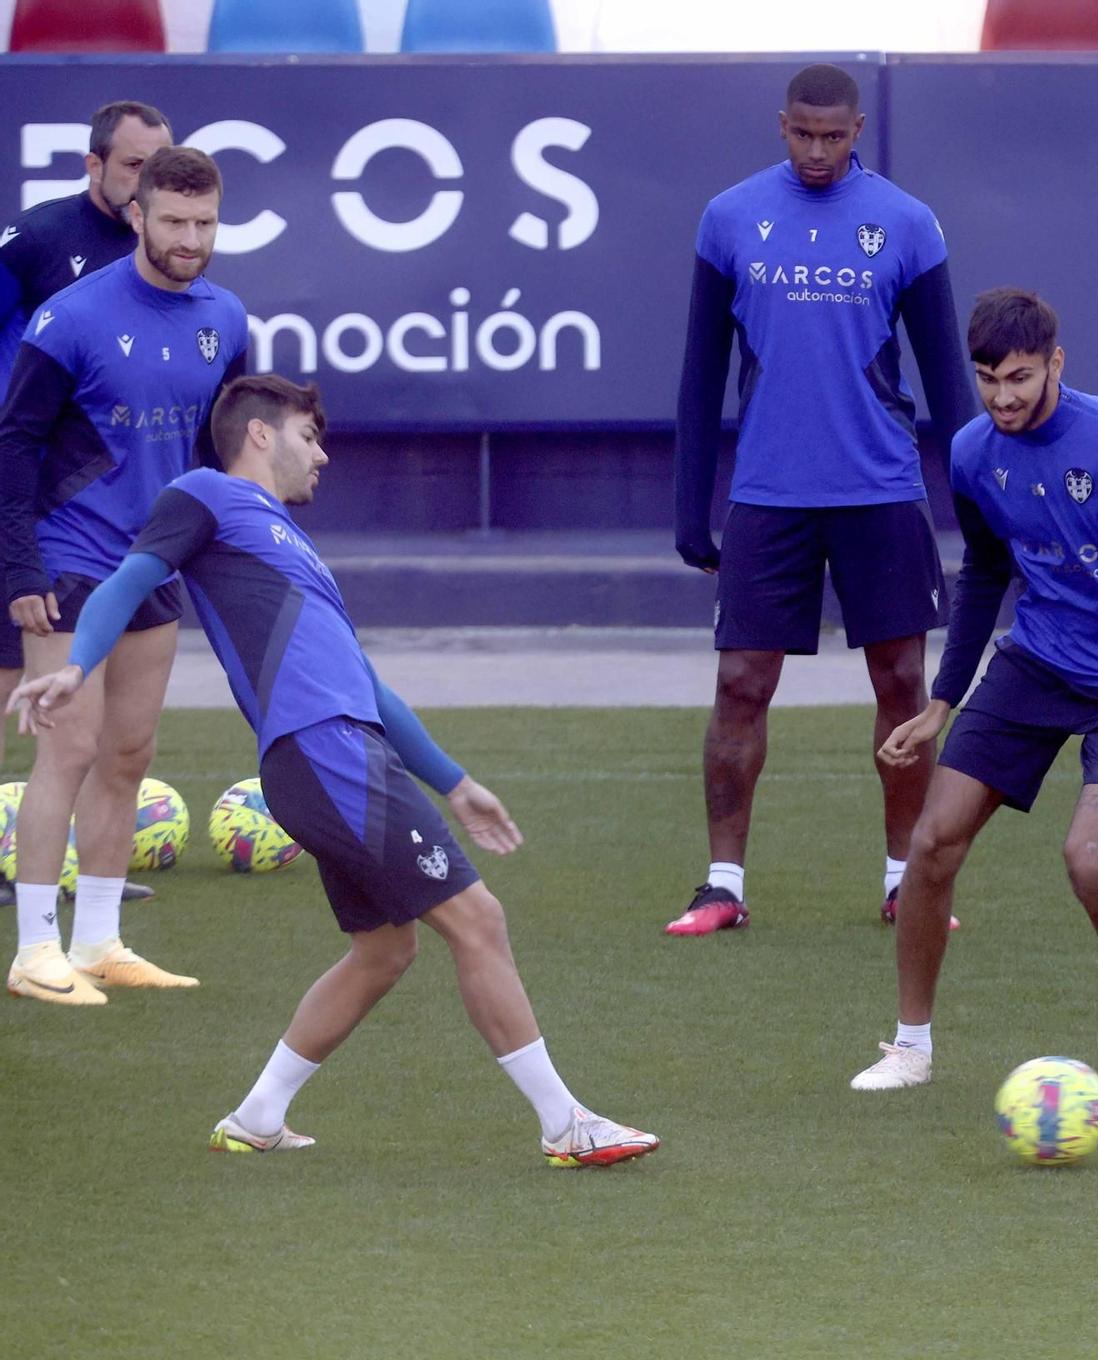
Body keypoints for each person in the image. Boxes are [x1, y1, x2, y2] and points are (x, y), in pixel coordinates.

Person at [10, 375, 658, 1167]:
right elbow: (131, 578)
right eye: (310, 437)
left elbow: (366, 681)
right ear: (258, 435)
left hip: (341, 750)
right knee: (477, 920)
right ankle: (567, 1125)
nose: (322, 456)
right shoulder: (203, 494)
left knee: (385, 952)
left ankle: (257, 1116)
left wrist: (455, 782)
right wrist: (78, 666)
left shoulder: (288, 540)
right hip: (325, 752)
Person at [848, 288, 1098, 1099]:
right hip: (1038, 665)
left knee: (1090, 862)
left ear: (1055, 362)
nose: (1002, 397)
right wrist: (943, 702)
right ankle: (911, 1045)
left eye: (1019, 377)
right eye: (987, 379)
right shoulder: (974, 452)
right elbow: (986, 571)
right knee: (931, 843)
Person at [671, 62, 976, 936]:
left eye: (832, 136)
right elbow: (698, 376)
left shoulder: (907, 224)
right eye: (802, 133)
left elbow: (949, 384)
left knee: (902, 683)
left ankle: (903, 880)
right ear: (781, 125)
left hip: (881, 490)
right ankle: (722, 883)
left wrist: (979, 505)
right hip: (770, 494)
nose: (816, 150)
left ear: (856, 134)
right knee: (739, 682)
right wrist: (693, 505)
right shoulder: (729, 217)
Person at [0, 145, 246, 1006]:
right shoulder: (69, 318)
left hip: (155, 563)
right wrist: (19, 565)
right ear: (135, 215)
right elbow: (15, 443)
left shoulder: (227, 316)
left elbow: (223, 450)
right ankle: (35, 952)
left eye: (205, 223)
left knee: (128, 753)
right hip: (68, 559)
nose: (191, 239)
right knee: (66, 749)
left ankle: (98, 940)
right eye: (174, 221)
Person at [0, 100, 174, 874]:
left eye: (158, 166)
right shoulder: (38, 240)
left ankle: (87, 877)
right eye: (133, 166)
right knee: (14, 683)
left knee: (106, 725)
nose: (146, 182)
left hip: (110, 509)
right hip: (26, 488)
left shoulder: (166, 249)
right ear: (93, 166)